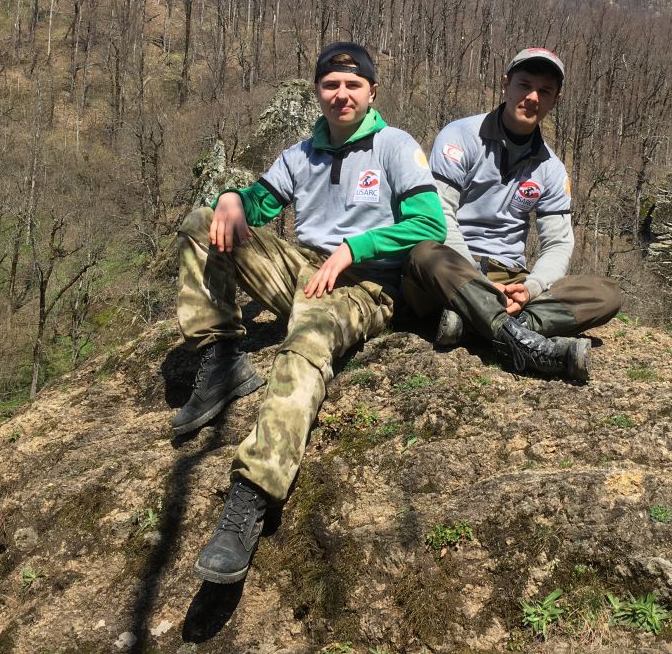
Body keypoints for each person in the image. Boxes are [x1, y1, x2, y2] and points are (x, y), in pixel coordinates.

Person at [172, 41, 446, 584]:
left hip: (366, 284)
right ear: (318, 92)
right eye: (331, 84)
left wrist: (355, 249)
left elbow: (429, 223)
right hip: (303, 266)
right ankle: (221, 358)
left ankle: (250, 497)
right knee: (203, 222)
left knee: (304, 343)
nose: (341, 94)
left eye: (353, 85)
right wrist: (231, 197)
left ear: (372, 92)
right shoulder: (301, 154)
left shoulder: (394, 146)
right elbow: (258, 204)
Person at [404, 47, 622, 379]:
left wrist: (530, 288)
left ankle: (478, 324)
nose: (532, 97)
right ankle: (523, 339)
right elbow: (439, 215)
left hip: (509, 279)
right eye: (525, 85)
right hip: (454, 272)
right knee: (422, 253)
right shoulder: (460, 136)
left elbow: (558, 243)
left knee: (606, 294)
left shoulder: (551, 169)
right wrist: (477, 282)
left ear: (555, 101)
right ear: (506, 85)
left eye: (544, 91)